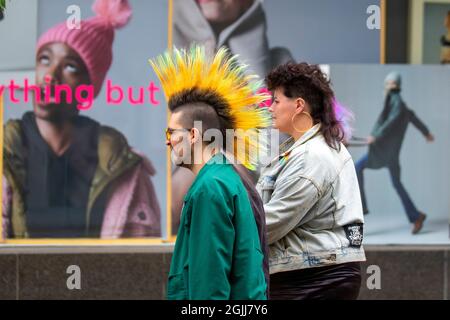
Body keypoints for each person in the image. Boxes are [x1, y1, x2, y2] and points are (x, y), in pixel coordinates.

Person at [2, 0, 161, 239]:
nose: (50, 76)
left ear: (89, 87)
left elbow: (139, 262)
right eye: (44, 59)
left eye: (70, 67)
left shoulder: (123, 166)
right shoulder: (7, 149)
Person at [150, 46, 270, 299]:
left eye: (171, 133)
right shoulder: (224, 178)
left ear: (193, 135)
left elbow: (209, 282)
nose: (167, 142)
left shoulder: (210, 187)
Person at [170, 0, 294, 230]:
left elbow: (278, 171)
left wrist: (246, 51)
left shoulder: (279, 64)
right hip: (178, 232)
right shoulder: (162, 59)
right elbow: (161, 188)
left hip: (252, 230)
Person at [257, 62, 365, 300]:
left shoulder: (311, 156)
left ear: (298, 105)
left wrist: (225, 229)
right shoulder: (307, 149)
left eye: (276, 100)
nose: (270, 107)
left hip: (314, 277)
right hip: (313, 271)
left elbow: (272, 221)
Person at [355, 72, 434, 235]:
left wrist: (376, 136)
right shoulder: (400, 105)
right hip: (390, 154)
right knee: (397, 184)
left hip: (384, 152)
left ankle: (361, 208)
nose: (388, 88)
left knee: (357, 168)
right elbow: (414, 119)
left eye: (389, 84)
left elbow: (391, 121)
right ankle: (416, 215)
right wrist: (426, 133)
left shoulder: (395, 103)